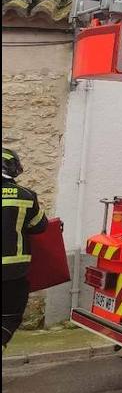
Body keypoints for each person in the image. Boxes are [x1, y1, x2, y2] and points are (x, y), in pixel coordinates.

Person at [2, 148, 47, 349]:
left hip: (14, 273)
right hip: (13, 272)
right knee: (10, 317)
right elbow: (40, 226)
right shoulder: (27, 196)